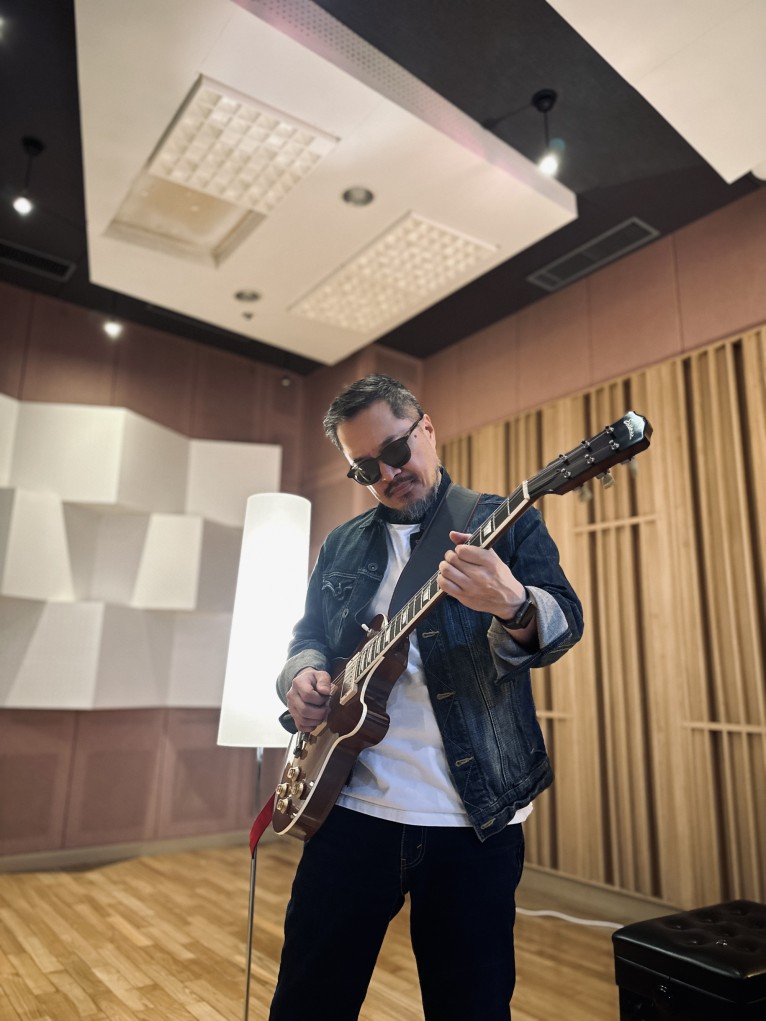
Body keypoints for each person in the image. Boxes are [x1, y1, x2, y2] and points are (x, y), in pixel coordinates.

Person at [269, 374, 583, 1021]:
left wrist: (514, 604)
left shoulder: (503, 522)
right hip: (348, 807)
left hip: (474, 819)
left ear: (427, 428)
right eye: (366, 469)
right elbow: (307, 637)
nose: (388, 474)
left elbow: (564, 624)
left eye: (395, 450)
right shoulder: (341, 545)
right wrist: (301, 675)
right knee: (308, 1002)